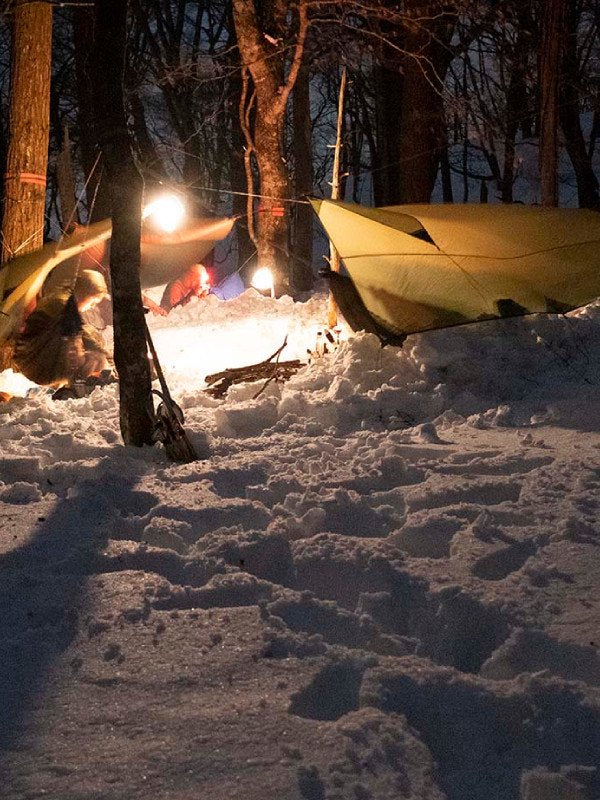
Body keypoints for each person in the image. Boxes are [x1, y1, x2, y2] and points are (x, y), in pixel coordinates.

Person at [10, 269, 111, 389]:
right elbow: (85, 335)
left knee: (90, 345)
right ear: (85, 292)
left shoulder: (60, 299)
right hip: (39, 368)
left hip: (32, 361)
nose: (92, 306)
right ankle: (78, 388)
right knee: (97, 359)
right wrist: (108, 356)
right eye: (93, 301)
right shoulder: (63, 305)